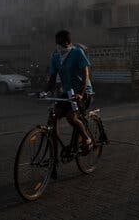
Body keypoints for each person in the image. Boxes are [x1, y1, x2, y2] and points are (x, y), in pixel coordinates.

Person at [44, 30, 93, 179]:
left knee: (71, 117)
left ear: (67, 42)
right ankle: (54, 160)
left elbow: (86, 75)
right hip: (67, 93)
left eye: (61, 43)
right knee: (52, 120)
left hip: (82, 92)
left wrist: (81, 93)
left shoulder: (77, 53)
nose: (59, 46)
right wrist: (43, 91)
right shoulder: (55, 57)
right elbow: (52, 80)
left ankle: (86, 139)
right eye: (57, 43)